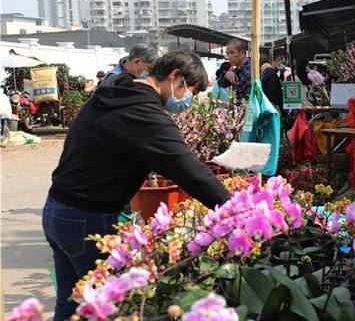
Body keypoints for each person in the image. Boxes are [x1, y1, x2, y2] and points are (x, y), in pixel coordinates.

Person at [42, 51, 230, 321]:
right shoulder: (142, 111)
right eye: (191, 90)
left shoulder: (114, 92)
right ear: (174, 76)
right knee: (106, 307)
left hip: (58, 210)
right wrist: (236, 210)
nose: (188, 100)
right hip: (87, 218)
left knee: (72, 305)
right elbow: (190, 172)